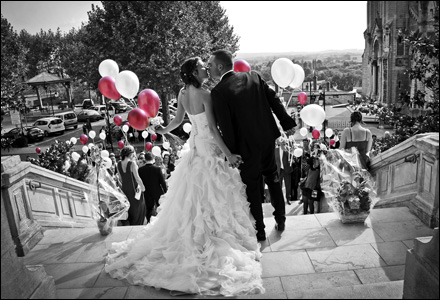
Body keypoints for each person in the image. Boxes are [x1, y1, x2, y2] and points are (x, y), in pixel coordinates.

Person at [105, 57, 264, 296]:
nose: (204, 68)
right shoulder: (206, 95)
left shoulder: (181, 93)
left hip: (195, 147)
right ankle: (209, 236)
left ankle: (196, 233)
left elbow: (178, 121)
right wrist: (228, 153)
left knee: (192, 193)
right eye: (201, 66)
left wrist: (162, 130)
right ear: (193, 72)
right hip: (208, 146)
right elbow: (211, 128)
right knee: (214, 191)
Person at [208, 49, 296, 241]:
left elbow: (225, 125)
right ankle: (281, 219)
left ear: (220, 66)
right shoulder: (253, 76)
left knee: (253, 188)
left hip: (245, 148)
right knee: (273, 178)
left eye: (211, 65)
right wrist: (287, 123)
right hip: (266, 139)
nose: (208, 68)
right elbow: (274, 100)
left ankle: (260, 231)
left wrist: (232, 153)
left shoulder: (218, 92)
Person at [116, 145, 146, 226]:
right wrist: (143, 188)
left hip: (125, 189)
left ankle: (129, 223)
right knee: (137, 208)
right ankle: (136, 224)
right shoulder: (132, 163)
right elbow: (137, 178)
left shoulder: (118, 163)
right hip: (134, 190)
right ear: (130, 154)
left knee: (129, 207)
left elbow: (120, 178)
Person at [137, 151, 167, 223]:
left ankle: (149, 222)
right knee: (160, 207)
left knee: (149, 209)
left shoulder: (140, 170)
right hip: (157, 191)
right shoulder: (157, 169)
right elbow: (162, 182)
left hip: (147, 192)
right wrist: (166, 191)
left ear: (145, 159)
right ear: (152, 158)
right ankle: (160, 221)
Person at [301, 141, 322, 214]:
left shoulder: (321, 160)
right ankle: (304, 215)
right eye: (314, 148)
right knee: (305, 201)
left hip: (314, 187)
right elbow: (307, 163)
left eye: (317, 148)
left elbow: (316, 166)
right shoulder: (311, 158)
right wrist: (312, 156)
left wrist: (317, 157)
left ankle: (312, 216)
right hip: (307, 184)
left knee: (311, 202)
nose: (315, 149)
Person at [274, 134, 293, 205]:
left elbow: (291, 157)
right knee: (279, 186)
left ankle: (288, 198)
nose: (283, 144)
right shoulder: (275, 150)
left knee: (288, 185)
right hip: (279, 170)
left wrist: (286, 149)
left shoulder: (287, 149)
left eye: (284, 143)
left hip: (286, 170)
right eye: (281, 143)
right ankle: (280, 200)